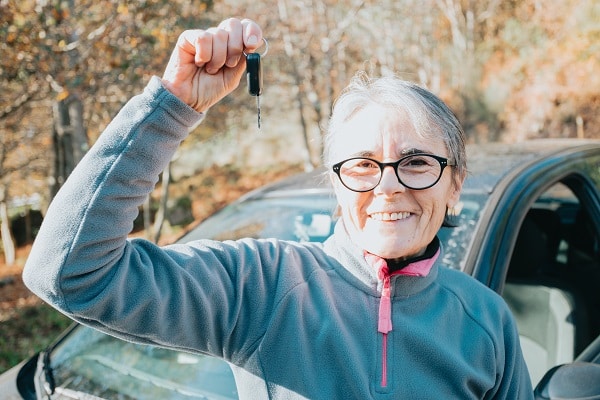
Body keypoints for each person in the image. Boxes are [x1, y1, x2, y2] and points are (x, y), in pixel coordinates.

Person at [23, 17, 533, 399]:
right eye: (361, 166)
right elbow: (69, 272)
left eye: (417, 162)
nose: (389, 187)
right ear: (336, 186)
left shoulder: (486, 321)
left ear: (454, 185)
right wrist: (172, 106)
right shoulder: (262, 285)